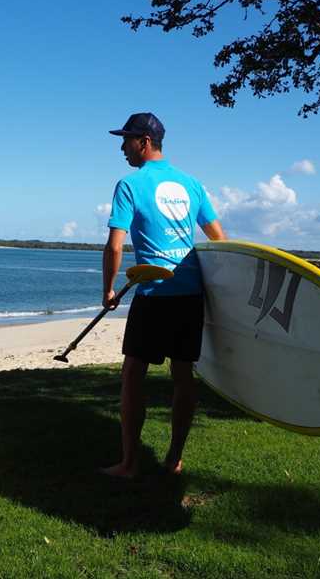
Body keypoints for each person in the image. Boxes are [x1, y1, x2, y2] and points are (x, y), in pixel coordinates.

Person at [101, 112, 227, 479]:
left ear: (143, 141)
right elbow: (219, 238)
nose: (122, 147)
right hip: (190, 291)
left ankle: (128, 464)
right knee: (183, 374)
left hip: (155, 293)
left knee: (133, 374)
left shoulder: (130, 184)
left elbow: (114, 245)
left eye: (126, 140)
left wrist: (108, 289)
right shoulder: (191, 183)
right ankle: (174, 459)